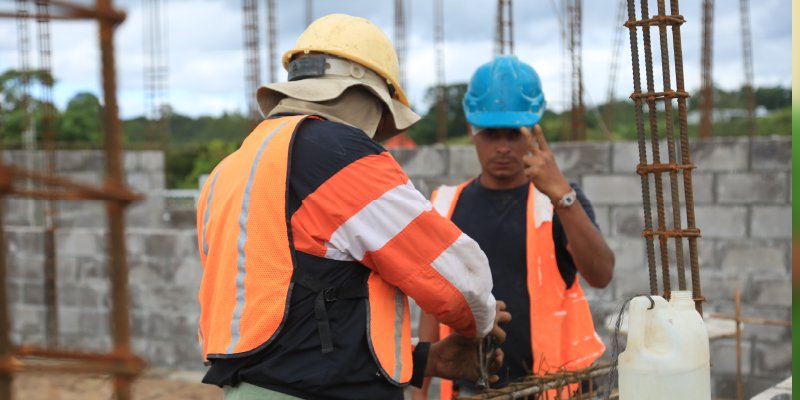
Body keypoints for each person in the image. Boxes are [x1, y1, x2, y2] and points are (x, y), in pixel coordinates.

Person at [195, 14, 511, 400]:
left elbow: (292, 314)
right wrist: (483, 322)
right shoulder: (337, 154)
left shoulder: (228, 173)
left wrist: (422, 359)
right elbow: (458, 279)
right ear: (369, 99)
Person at [413, 55, 615, 399]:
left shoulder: (559, 202)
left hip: (558, 389)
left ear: (535, 129)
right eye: (491, 134)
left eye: (514, 133)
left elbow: (600, 274)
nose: (503, 147)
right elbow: (431, 310)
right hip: (475, 391)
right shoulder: (446, 206)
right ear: (472, 131)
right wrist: (418, 393)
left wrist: (562, 195)